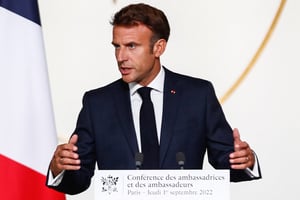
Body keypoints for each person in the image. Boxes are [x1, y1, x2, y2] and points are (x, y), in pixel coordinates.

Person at [47, 3, 261, 194]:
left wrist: (245, 161)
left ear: (158, 47)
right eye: (117, 46)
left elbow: (227, 161)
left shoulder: (197, 95)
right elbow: (78, 179)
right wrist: (60, 168)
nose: (121, 57)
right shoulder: (97, 104)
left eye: (131, 46)